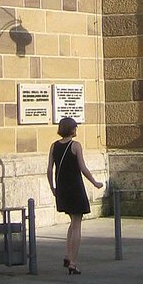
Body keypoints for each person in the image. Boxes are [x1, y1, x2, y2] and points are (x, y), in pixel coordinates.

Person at [47, 116, 103, 274]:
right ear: (72, 129)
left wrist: (53, 188)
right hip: (75, 187)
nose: (76, 129)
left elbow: (49, 170)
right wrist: (95, 182)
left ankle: (67, 254)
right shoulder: (76, 146)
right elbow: (83, 168)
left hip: (62, 188)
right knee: (77, 223)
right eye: (75, 127)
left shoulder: (54, 146)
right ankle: (72, 261)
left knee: (72, 221)